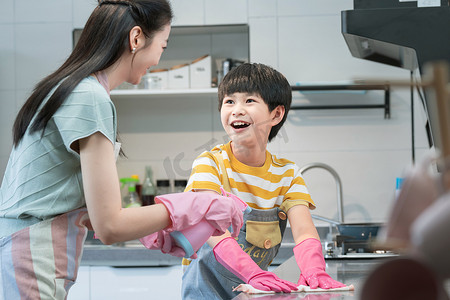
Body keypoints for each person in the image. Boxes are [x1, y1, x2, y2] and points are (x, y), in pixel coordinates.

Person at [0, 1, 242, 299]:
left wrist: (150, 227)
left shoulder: (69, 88)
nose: (157, 60)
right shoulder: (89, 98)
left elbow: (74, 203)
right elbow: (110, 225)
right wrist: (193, 206)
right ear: (136, 38)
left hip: (25, 251)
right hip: (33, 256)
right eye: (162, 46)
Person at [179, 63, 347, 299]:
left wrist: (314, 270)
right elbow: (212, 231)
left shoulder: (287, 173)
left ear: (276, 114)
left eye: (249, 101)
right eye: (229, 101)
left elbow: (304, 230)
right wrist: (252, 273)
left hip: (253, 294)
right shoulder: (209, 164)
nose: (236, 110)